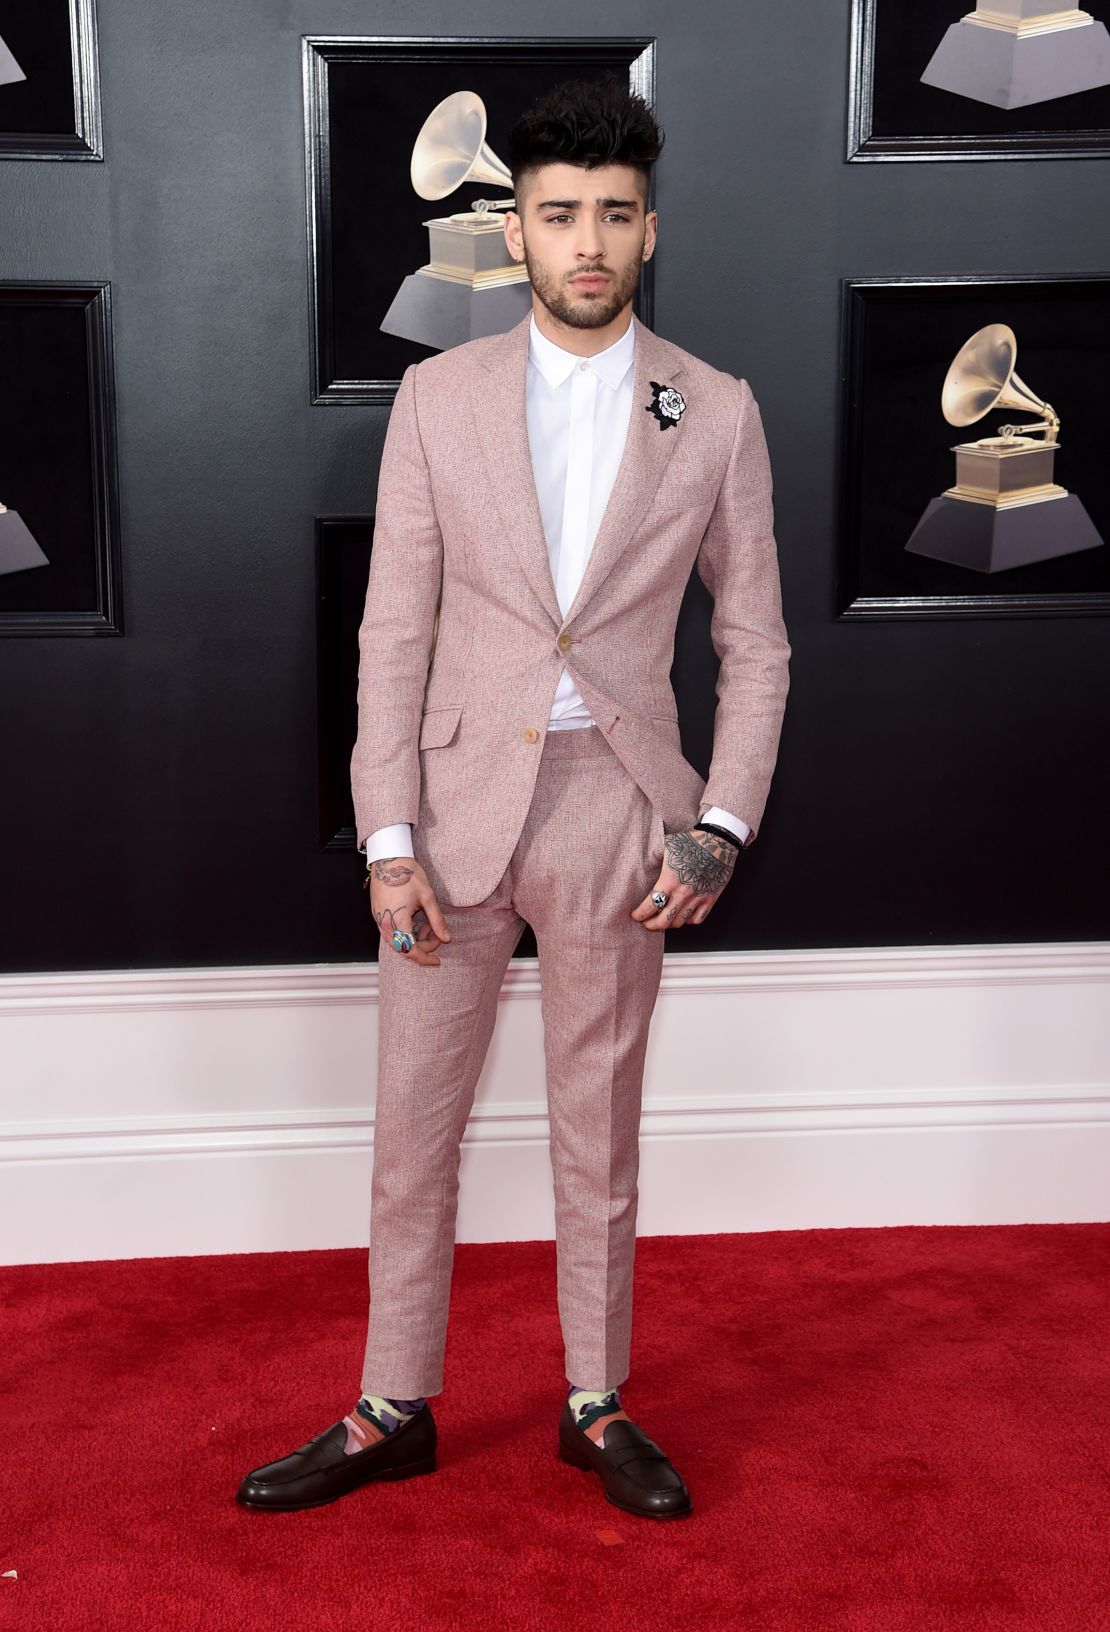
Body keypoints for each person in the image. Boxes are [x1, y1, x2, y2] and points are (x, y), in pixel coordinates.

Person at [238, 74, 790, 1522]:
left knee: (594, 1130)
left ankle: (594, 1402)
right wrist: (386, 836)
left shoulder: (716, 412)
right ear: (520, 229)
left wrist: (718, 822)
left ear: (646, 228)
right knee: (412, 1130)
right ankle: (390, 1403)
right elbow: (392, 632)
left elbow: (753, 641)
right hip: (452, 819)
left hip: (622, 813)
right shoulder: (437, 395)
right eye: (558, 215)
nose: (586, 240)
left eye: (611, 214)